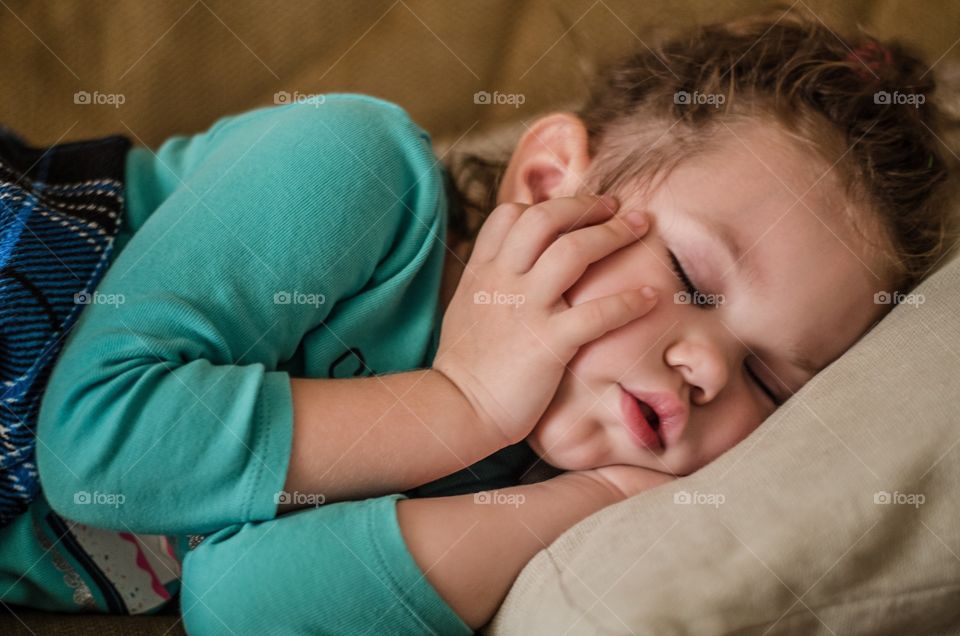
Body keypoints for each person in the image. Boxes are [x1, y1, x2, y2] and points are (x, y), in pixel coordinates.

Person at [2, 8, 954, 634]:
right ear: (550, 185)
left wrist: (598, 498)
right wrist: (457, 400)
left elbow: (242, 606)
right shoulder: (358, 174)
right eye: (694, 278)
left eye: (770, 381)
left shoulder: (508, 480)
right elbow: (100, 451)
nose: (709, 366)